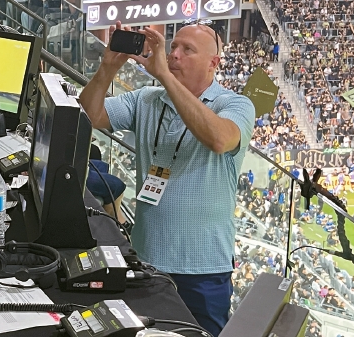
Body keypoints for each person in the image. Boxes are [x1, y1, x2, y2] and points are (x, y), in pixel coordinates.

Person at [78, 21, 255, 336]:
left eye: (187, 50)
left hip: (203, 270)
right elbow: (88, 116)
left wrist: (164, 78)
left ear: (214, 63)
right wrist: (107, 68)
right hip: (147, 259)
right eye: (173, 46)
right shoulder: (147, 99)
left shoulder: (236, 105)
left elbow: (218, 138)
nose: (174, 55)